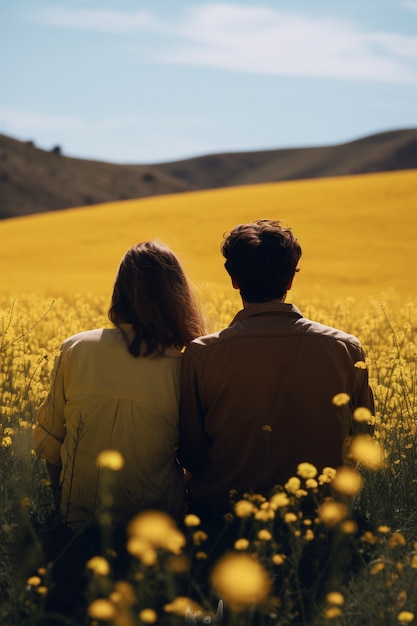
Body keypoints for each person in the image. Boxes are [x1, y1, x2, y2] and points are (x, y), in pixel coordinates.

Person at [33, 241, 205, 621]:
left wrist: (68, 506)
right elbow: (197, 457)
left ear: (120, 292)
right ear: (178, 297)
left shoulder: (76, 349)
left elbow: (49, 442)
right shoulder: (186, 365)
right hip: (157, 532)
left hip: (78, 527)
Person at [179, 219, 374, 516]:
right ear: (289, 281)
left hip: (224, 516)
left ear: (234, 280)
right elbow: (362, 440)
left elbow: (191, 456)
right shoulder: (345, 349)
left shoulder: (201, 355)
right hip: (320, 513)